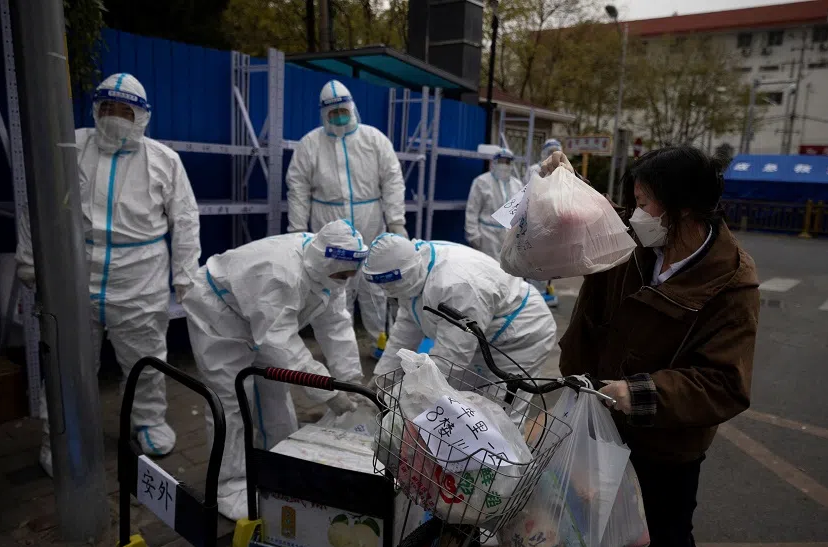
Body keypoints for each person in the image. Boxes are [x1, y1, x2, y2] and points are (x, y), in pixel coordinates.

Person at [552, 146, 760, 547]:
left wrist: (640, 393)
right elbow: (585, 221)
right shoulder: (634, 241)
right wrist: (560, 185)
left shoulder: (731, 281)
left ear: (683, 208)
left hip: (667, 447)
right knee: (603, 543)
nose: (635, 213)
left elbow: (723, 382)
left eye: (645, 202)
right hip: (601, 425)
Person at [15, 73, 201, 476]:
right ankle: (61, 436)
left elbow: (185, 219)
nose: (116, 117)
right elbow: (38, 201)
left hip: (140, 277)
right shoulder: (71, 148)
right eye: (109, 108)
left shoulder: (164, 160)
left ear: (142, 116)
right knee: (69, 360)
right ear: (96, 109)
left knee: (145, 356)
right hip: (76, 271)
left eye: (126, 110)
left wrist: (186, 276)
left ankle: (148, 421)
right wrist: (30, 260)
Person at [181, 220, 366, 520]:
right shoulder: (280, 272)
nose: (346, 279)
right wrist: (326, 392)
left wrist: (350, 382)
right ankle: (230, 486)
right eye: (342, 274)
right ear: (325, 262)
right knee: (232, 401)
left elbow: (336, 326)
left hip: (261, 317)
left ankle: (279, 464)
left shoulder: (331, 271)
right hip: (219, 313)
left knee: (275, 395)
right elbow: (280, 343)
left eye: (350, 275)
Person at [364, 234, 556, 427]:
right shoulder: (415, 270)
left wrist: (404, 395)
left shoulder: (456, 285)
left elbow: (452, 357)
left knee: (500, 419)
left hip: (520, 337)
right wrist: (383, 375)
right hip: (481, 338)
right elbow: (405, 328)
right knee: (461, 410)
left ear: (404, 272)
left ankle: (511, 456)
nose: (385, 290)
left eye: (388, 283)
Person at [286, 79, 406, 354]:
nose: (338, 116)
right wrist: (296, 229)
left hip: (370, 220)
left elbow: (392, 180)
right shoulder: (310, 144)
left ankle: (382, 343)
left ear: (352, 108)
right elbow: (298, 188)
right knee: (335, 286)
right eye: (332, 112)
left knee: (374, 284)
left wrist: (396, 220)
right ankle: (340, 350)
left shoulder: (374, 139)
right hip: (328, 223)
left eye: (343, 110)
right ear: (322, 114)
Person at [465, 148, 523, 261]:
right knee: (487, 269)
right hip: (487, 236)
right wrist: (474, 235)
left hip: (509, 236)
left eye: (507, 162)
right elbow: (472, 210)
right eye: (501, 162)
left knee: (509, 272)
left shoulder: (517, 185)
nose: (504, 165)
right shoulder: (482, 182)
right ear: (494, 163)